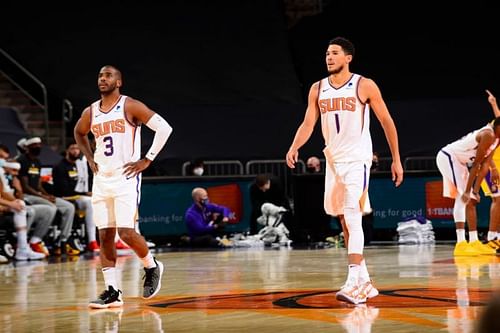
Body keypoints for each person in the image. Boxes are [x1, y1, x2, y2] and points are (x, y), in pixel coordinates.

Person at [285, 37, 403, 305]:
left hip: (357, 159)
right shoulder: (317, 88)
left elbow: (386, 122)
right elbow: (307, 123)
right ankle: (366, 281)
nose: (329, 57)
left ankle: (353, 282)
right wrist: (294, 146)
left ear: (348, 57)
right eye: (327, 53)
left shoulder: (364, 85)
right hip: (334, 161)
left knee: (352, 214)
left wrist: (396, 159)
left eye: (335, 53)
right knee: (342, 219)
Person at [74, 65, 173, 309]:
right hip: (102, 178)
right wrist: (89, 157)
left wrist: (147, 159)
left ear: (119, 82)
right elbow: (79, 132)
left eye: (108, 75)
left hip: (126, 177)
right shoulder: (91, 111)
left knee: (126, 233)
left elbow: (164, 128)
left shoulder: (130, 105)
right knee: (105, 235)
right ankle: (112, 291)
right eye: (99, 75)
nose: (102, 79)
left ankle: (151, 265)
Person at [436, 118, 500, 256]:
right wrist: (468, 191)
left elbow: (485, 166)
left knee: (469, 199)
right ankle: (461, 244)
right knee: (465, 198)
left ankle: (474, 241)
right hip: (448, 156)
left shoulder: (496, 140)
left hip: (460, 162)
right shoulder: (488, 134)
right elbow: (476, 164)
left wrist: (476, 191)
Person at [16, 137, 78, 256]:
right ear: (28, 147)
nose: (38, 147)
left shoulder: (38, 162)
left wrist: (47, 194)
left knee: (69, 207)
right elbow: (25, 186)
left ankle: (62, 240)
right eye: (35, 145)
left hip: (38, 195)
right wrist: (43, 197)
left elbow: (38, 184)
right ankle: (35, 239)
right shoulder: (22, 161)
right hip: (27, 195)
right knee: (51, 207)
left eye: (39, 145)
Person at [52, 141, 99, 252]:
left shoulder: (80, 165)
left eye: (77, 148)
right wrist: (84, 193)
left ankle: (99, 238)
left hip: (78, 196)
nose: (75, 151)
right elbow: (63, 189)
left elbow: (87, 182)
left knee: (95, 200)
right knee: (89, 202)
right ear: (67, 150)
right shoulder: (60, 166)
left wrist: (88, 191)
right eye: (72, 148)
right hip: (65, 197)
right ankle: (91, 240)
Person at [478, 89, 500, 251]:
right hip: (490, 167)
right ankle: (492, 235)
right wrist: (492, 168)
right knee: (497, 200)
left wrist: (493, 103)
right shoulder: (491, 131)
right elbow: (486, 152)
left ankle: (496, 234)